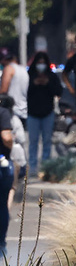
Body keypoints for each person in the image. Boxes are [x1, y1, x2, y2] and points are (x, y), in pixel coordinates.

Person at [25, 52, 61, 176]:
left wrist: (47, 83)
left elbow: (58, 91)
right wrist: (34, 84)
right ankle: (33, 167)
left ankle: (46, 167)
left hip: (48, 113)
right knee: (33, 142)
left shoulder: (52, 76)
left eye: (43, 62)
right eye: (38, 62)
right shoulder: (29, 75)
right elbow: (25, 91)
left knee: (47, 141)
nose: (41, 65)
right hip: (32, 114)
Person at [0, 100, 13, 257]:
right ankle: (1, 244)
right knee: (2, 205)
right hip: (1, 164)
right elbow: (7, 137)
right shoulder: (2, 112)